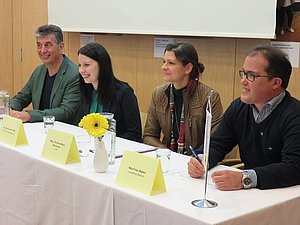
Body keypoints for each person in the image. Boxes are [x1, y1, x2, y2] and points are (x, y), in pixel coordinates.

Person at [188, 45, 300, 190]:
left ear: (276, 83)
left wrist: (245, 178)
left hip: (286, 196)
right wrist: (202, 159)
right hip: (250, 194)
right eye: (244, 73)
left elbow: (294, 167)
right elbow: (218, 143)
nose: (243, 81)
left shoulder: (295, 114)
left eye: (251, 76)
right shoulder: (239, 107)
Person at [143, 42, 223, 155]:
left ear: (188, 68)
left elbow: (214, 142)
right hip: (167, 159)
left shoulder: (209, 97)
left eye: (171, 63)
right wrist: (167, 153)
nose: (164, 67)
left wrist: (195, 159)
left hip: (195, 162)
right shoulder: (159, 93)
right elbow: (149, 136)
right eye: (164, 62)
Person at [10, 24, 80, 123]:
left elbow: (65, 111)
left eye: (48, 45)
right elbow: (22, 97)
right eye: (39, 45)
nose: (42, 50)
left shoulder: (74, 75)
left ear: (61, 47)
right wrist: (9, 109)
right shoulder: (39, 71)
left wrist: (30, 115)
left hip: (63, 133)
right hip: (40, 129)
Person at [74, 42, 142, 142]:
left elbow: (134, 134)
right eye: (80, 65)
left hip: (116, 150)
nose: (81, 70)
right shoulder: (84, 91)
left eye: (86, 65)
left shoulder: (124, 93)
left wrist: (107, 142)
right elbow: (78, 125)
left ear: (102, 65)